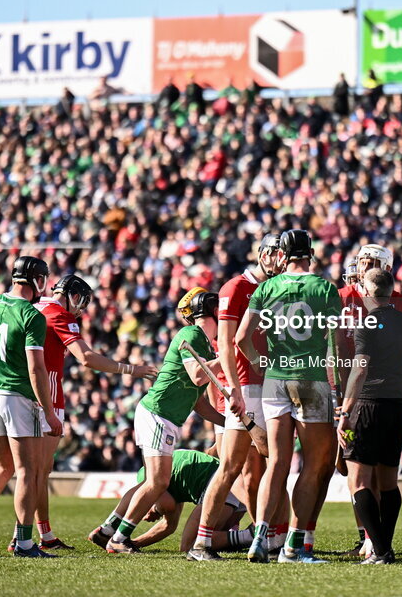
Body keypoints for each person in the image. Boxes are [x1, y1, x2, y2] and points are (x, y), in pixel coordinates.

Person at [7, 274, 156, 552]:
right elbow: (86, 358)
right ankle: (21, 535)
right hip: (47, 392)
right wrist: (132, 369)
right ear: (72, 294)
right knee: (37, 472)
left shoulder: (32, 307)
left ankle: (44, 535)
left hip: (19, 390)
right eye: (82, 300)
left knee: (37, 470)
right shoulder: (60, 315)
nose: (82, 308)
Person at [237, 228, 341, 563]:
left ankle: (260, 538)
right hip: (310, 379)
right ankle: (294, 546)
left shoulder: (266, 287)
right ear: (310, 253)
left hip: (275, 381)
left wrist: (259, 362)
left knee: (277, 463)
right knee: (313, 466)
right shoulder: (324, 287)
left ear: (282, 255)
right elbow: (335, 344)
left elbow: (241, 338)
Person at [188, 234, 288, 561]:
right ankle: (204, 541)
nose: (280, 261)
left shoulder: (278, 287)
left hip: (270, 386)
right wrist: (234, 389)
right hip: (247, 387)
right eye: (276, 254)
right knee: (233, 466)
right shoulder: (235, 288)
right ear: (264, 254)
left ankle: (273, 537)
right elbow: (227, 345)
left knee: (267, 465)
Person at [104, 287, 223, 554]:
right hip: (158, 414)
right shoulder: (192, 334)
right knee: (157, 482)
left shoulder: (204, 342)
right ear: (213, 309)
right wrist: (226, 357)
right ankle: (119, 538)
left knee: (154, 481)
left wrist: (227, 422)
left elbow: (198, 402)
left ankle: (109, 530)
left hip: (164, 417)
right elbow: (197, 375)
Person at [0, 256, 62, 559]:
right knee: (27, 472)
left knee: (1, 467)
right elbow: (36, 369)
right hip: (18, 397)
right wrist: (48, 411)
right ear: (36, 280)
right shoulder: (32, 316)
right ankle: (24, 542)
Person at [337, 268, 402, 564]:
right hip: (397, 404)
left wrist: (345, 410)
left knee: (359, 483)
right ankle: (385, 547)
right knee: (388, 483)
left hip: (368, 405)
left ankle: (381, 549)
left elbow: (359, 370)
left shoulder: (365, 324)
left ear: (366, 292)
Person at [90, 449, 253, 554]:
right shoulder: (170, 477)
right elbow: (168, 526)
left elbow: (167, 504)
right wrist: (133, 544)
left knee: (191, 545)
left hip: (219, 488)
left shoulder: (148, 478)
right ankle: (248, 536)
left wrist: (155, 509)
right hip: (231, 489)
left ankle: (250, 536)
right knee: (215, 539)